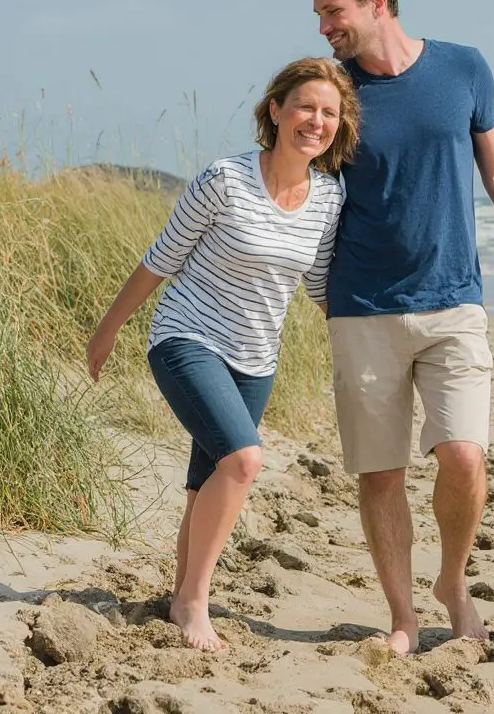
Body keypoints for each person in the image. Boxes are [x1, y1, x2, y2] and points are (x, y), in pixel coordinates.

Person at [304, 0, 494, 654]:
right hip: (361, 306)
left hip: (453, 300)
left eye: (334, 11)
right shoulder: (334, 92)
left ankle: (452, 583)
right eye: (320, 15)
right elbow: (299, 183)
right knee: (380, 471)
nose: (325, 27)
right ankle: (402, 617)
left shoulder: (463, 69)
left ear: (378, 1)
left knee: (464, 457)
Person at [85, 57, 359, 651]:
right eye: (305, 107)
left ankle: (178, 595)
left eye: (329, 112)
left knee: (206, 481)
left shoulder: (329, 198)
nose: (316, 121)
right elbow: (161, 258)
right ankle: (193, 603)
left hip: (256, 358)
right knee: (244, 460)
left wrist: (365, 340)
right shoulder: (225, 179)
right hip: (187, 338)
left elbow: (318, 283)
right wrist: (108, 329)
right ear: (276, 111)